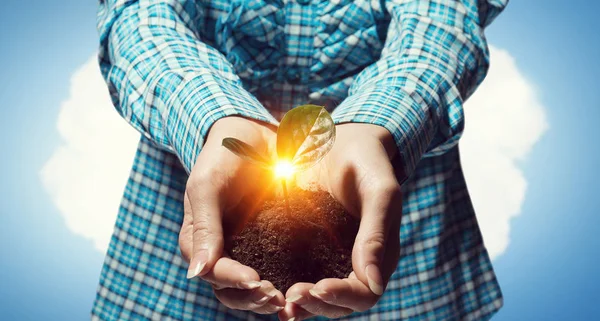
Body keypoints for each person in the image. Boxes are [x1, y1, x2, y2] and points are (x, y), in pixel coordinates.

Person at [92, 0, 508, 320]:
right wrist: (218, 119)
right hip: (181, 215)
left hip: (401, 226)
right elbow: (143, 21)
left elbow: (437, 27)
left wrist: (376, 125)